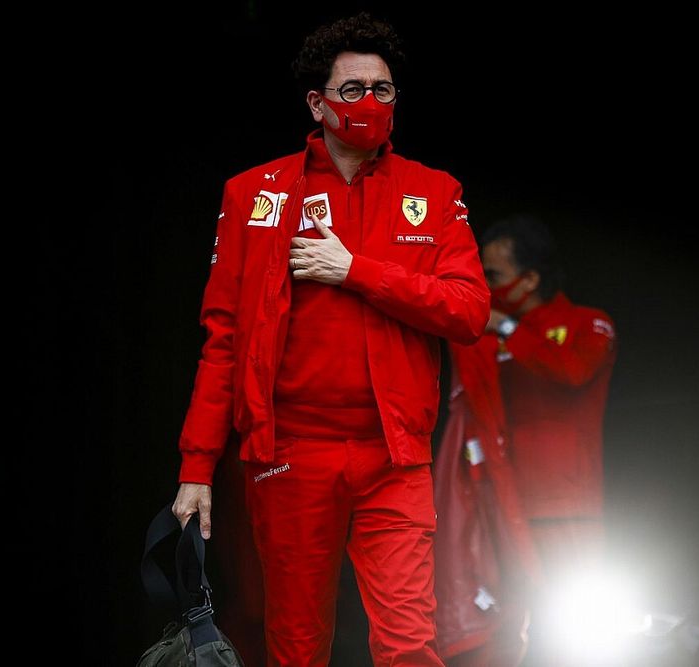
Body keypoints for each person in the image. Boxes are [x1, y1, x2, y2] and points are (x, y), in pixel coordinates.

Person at [170, 13, 489, 666]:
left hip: (395, 456)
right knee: (296, 646)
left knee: (410, 645)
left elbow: (469, 311)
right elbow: (222, 338)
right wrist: (197, 466)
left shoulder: (435, 191)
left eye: (384, 89)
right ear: (317, 102)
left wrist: (356, 271)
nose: (371, 102)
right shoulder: (253, 194)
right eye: (353, 89)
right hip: (290, 453)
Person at [480, 215, 616, 579]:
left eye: (492, 276)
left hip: (568, 504)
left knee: (576, 617)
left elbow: (572, 371)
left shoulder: (589, 323)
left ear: (530, 279)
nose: (485, 286)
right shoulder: (482, 336)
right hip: (498, 497)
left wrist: (508, 328)